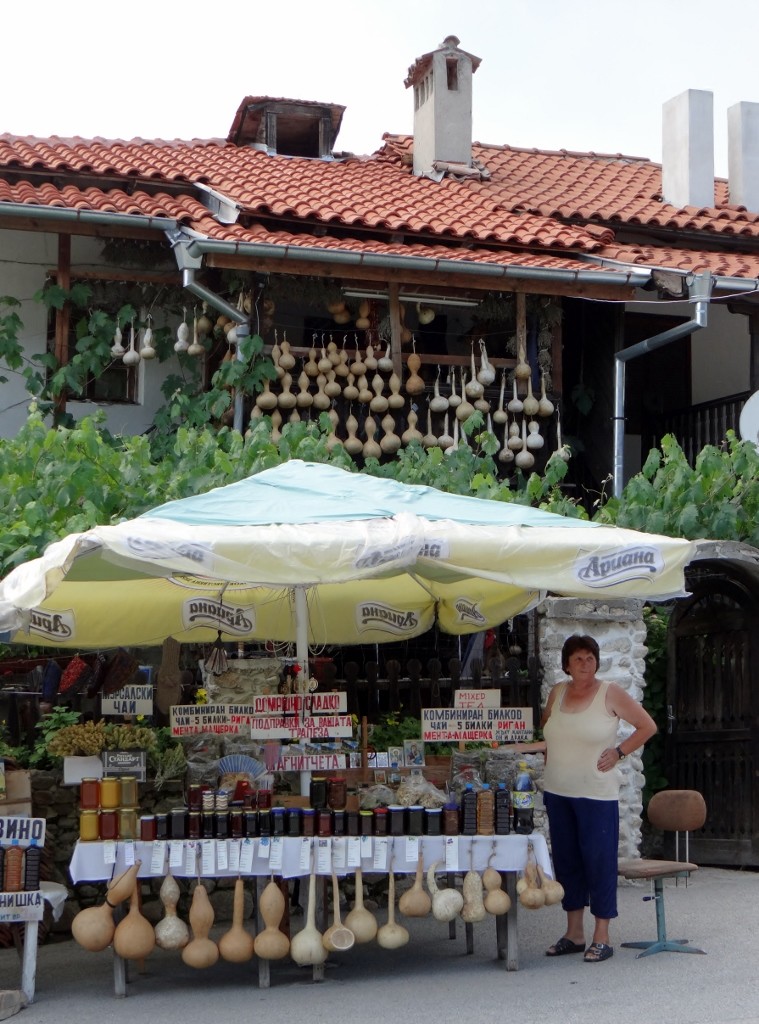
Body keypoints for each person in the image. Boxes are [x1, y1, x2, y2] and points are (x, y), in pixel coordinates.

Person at [540, 633, 657, 963]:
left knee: (598, 861)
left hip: (595, 794)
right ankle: (574, 933)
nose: (584, 663)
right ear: (566, 664)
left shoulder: (611, 693)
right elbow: (548, 729)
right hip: (558, 792)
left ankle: (602, 935)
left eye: (590, 658)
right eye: (577, 658)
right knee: (567, 861)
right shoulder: (557, 693)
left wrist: (619, 753)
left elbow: (647, 726)